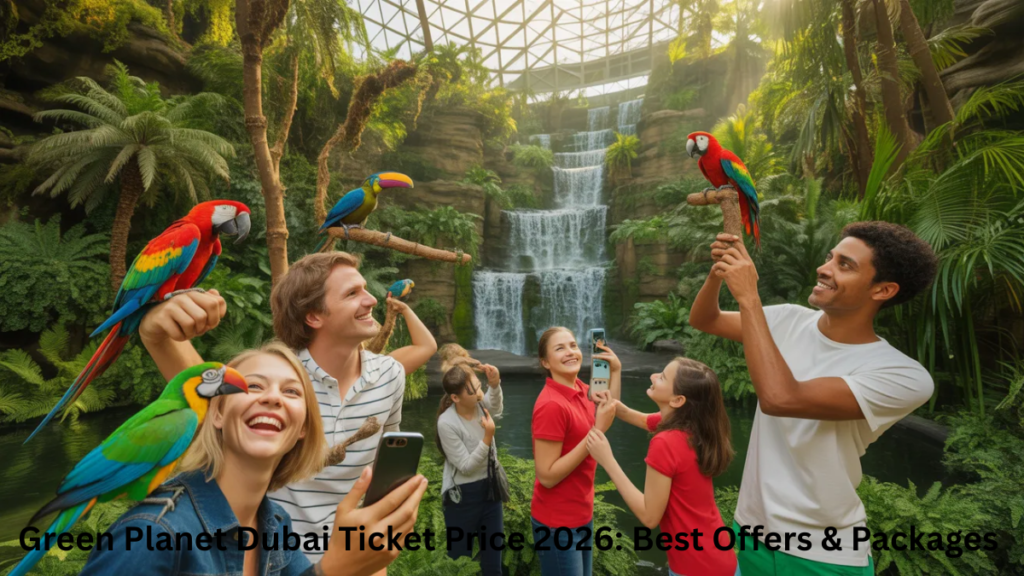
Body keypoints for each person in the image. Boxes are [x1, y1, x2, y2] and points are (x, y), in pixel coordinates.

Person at [139, 252, 438, 564]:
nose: (372, 299)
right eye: (352, 293)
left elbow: (382, 474)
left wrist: (373, 560)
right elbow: (209, 397)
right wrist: (156, 332)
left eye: (364, 288)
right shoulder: (280, 383)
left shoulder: (389, 376)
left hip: (353, 556)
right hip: (274, 559)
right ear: (314, 316)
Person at [688, 222, 938, 575]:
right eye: (829, 257)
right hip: (749, 533)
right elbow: (705, 319)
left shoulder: (903, 375)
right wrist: (719, 274)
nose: (825, 268)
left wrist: (749, 297)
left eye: (845, 265)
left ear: (883, 290)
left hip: (822, 554)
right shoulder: (789, 319)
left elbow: (781, 398)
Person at [80, 342, 428, 576]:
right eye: (253, 387)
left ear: (303, 428)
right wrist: (334, 569)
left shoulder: (275, 525)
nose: (273, 398)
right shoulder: (150, 535)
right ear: (216, 415)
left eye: (291, 391)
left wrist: (357, 560)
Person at [586, 357, 738, 576]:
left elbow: (649, 517)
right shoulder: (692, 425)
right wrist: (612, 398)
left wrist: (607, 461)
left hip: (696, 567)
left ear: (677, 400)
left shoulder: (665, 442)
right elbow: (633, 416)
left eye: (662, 377)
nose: (653, 376)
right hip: (720, 556)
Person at [530, 327, 620, 576]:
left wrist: (616, 371)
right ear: (545, 362)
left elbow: (608, 413)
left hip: (581, 513)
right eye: (560, 348)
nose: (570, 352)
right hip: (557, 523)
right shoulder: (551, 405)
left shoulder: (582, 388)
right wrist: (596, 430)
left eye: (573, 345)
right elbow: (546, 476)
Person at [435, 361, 505, 574]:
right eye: (472, 390)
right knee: (459, 561)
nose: (478, 392)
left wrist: (494, 385)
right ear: (455, 398)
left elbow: (497, 409)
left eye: (478, 385)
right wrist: (487, 438)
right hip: (461, 496)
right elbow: (465, 466)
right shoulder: (446, 423)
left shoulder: (480, 405)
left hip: (491, 490)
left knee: (493, 562)